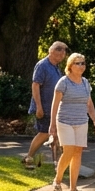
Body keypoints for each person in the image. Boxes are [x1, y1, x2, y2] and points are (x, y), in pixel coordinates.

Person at [51, 52, 95, 191]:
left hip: (81, 121)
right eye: (77, 63)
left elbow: (89, 103)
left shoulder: (85, 83)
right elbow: (54, 105)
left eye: (83, 63)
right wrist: (52, 124)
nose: (81, 66)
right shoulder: (64, 82)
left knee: (78, 152)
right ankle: (58, 180)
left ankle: (73, 188)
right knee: (69, 150)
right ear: (70, 66)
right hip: (65, 121)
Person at [22, 42, 67, 170]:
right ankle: (29, 157)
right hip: (44, 107)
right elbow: (35, 85)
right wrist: (39, 107)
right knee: (44, 133)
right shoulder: (42, 65)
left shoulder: (56, 67)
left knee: (55, 134)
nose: (62, 53)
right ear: (51, 50)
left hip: (54, 108)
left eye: (64, 51)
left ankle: (57, 163)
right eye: (59, 49)